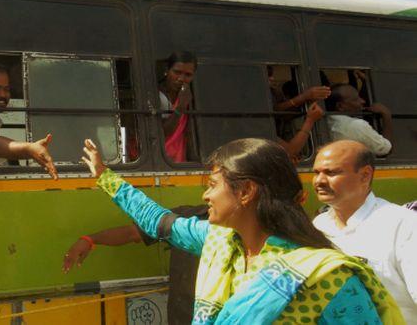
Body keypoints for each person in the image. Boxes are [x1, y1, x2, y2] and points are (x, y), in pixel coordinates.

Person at [81, 138, 403, 324]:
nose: (205, 196)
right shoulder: (218, 243)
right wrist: (105, 177)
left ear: (246, 192)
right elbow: (158, 221)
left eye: (212, 185)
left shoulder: (324, 277)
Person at [313, 140, 417, 322]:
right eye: (316, 172)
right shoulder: (318, 226)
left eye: (331, 172)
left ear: (365, 175)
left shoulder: (403, 224)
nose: (320, 181)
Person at [62, 205, 208, 325]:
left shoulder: (228, 232)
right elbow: (131, 233)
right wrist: (90, 240)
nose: (208, 194)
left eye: (215, 185)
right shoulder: (184, 218)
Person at [325, 83, 393, 156]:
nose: (362, 101)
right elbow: (385, 150)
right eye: (355, 99)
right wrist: (386, 114)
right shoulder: (356, 125)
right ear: (340, 106)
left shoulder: (326, 120)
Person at [158, 52, 197, 163]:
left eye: (188, 75)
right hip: (162, 160)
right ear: (167, 70)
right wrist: (180, 107)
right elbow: (162, 133)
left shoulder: (190, 97)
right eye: (177, 72)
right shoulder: (156, 96)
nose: (181, 78)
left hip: (180, 161)